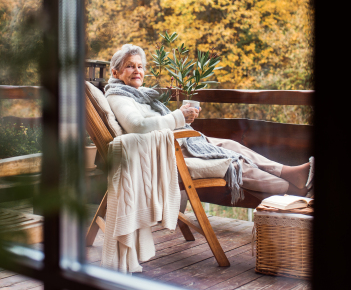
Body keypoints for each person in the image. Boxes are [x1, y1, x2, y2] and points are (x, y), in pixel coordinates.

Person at [104, 44, 313, 203]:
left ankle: (289, 173)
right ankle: (296, 191)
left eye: (140, 66)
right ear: (115, 73)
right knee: (235, 165)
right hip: (162, 151)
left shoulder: (138, 94)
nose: (137, 71)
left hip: (175, 141)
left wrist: (183, 119)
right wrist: (178, 117)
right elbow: (137, 126)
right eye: (130, 66)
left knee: (232, 146)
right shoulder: (119, 97)